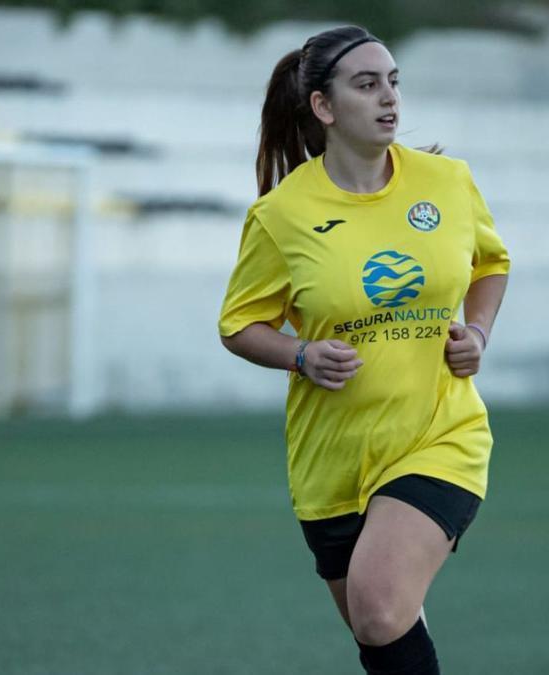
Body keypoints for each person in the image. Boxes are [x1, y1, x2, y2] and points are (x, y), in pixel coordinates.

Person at [218, 26, 510, 675]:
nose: (389, 98)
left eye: (394, 81)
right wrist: (299, 355)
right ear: (324, 107)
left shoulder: (447, 181)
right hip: (333, 463)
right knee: (386, 637)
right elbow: (239, 324)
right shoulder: (282, 214)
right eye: (367, 84)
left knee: (378, 607)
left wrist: (479, 331)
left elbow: (492, 262)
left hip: (439, 437)